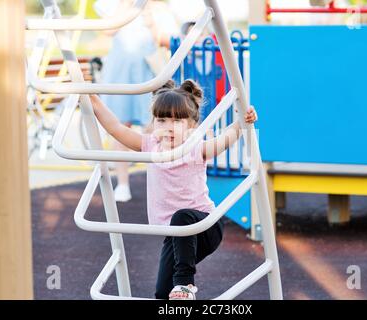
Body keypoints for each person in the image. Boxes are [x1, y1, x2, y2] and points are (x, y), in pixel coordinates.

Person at [89, 79, 258, 300]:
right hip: (176, 237)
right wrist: (91, 97)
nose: (168, 127)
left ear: (192, 126)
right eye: (161, 120)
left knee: (181, 218)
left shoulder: (195, 148)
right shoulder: (149, 145)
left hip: (205, 226)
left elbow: (226, 139)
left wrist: (241, 123)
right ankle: (180, 287)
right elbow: (116, 128)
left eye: (177, 121)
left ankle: (186, 284)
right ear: (153, 123)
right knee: (162, 293)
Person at [94, 0, 178, 202]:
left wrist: (152, 22)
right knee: (120, 126)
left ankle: (159, 183)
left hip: (147, 71)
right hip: (120, 72)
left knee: (153, 128)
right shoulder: (112, 4)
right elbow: (108, 30)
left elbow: (168, 39)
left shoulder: (157, 7)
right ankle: (123, 184)